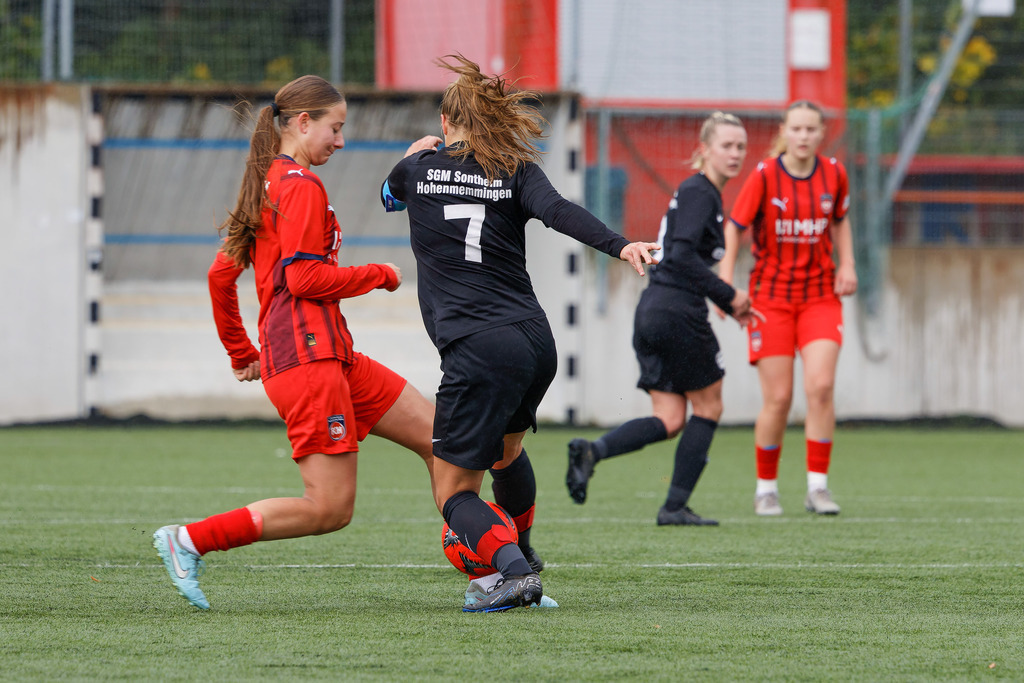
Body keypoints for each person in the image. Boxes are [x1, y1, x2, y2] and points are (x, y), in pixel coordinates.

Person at [152, 75, 442, 610]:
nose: (341, 141)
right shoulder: (301, 186)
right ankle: (188, 540)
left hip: (330, 356)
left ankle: (491, 573)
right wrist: (378, 274)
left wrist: (244, 354)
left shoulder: (268, 182)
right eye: (336, 128)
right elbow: (305, 279)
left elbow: (220, 277)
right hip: (309, 361)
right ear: (303, 123)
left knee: (442, 441)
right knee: (329, 508)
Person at [382, 54, 659, 612]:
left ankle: (512, 574)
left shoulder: (416, 171)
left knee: (453, 490)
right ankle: (524, 554)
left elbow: (389, 198)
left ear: (445, 120)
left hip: (478, 347)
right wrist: (620, 244)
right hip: (534, 341)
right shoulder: (516, 170)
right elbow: (559, 212)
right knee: (506, 454)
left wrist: (411, 157)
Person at [565, 112, 759, 526]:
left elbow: (681, 258)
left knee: (670, 419)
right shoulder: (701, 192)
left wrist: (727, 303)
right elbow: (683, 257)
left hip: (653, 310)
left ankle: (592, 451)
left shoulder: (697, 193)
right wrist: (730, 295)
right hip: (677, 312)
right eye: (726, 145)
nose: (735, 153)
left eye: (741, 146)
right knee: (709, 405)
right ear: (704, 149)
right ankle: (674, 508)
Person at [718, 100, 857, 517]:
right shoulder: (765, 175)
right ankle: (766, 489)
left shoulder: (834, 173)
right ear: (784, 131)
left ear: (821, 133)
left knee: (821, 387)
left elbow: (840, 220)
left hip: (820, 298)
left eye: (811, 129)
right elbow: (735, 228)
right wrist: (725, 281)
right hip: (771, 301)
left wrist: (847, 264)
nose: (803, 136)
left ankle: (818, 488)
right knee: (779, 398)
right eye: (796, 129)